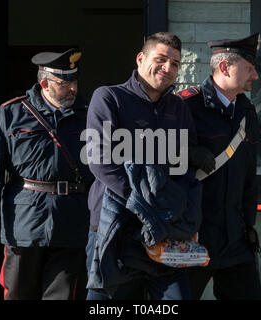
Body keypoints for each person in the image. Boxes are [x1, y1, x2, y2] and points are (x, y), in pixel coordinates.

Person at [85, 32, 206, 300]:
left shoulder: (179, 108)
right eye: (161, 59)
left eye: (175, 63)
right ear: (140, 58)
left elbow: (184, 168)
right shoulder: (108, 98)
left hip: (166, 231)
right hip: (114, 227)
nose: (168, 68)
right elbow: (101, 162)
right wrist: (144, 206)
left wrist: (179, 214)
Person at [0, 48, 94, 300]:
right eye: (64, 83)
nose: (72, 88)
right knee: (18, 293)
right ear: (44, 84)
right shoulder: (11, 114)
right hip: (23, 221)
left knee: (62, 296)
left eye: (74, 80)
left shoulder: (89, 115)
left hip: (71, 221)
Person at [176, 33, 261, 300]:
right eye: (249, 68)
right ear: (225, 67)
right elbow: (160, 165)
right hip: (192, 238)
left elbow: (250, 176)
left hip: (235, 240)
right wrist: (189, 154)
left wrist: (248, 226)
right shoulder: (185, 107)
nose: (256, 75)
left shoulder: (247, 112)